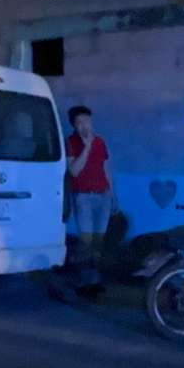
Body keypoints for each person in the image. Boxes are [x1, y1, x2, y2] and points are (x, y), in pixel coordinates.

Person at [64, 106, 114, 285]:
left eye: (87, 121)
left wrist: (113, 194)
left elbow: (106, 168)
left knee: (99, 240)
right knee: (86, 239)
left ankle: (96, 277)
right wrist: (86, 148)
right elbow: (74, 171)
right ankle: (82, 277)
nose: (85, 126)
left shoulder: (100, 142)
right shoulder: (70, 142)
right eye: (80, 122)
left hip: (103, 195)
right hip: (83, 197)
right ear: (74, 125)